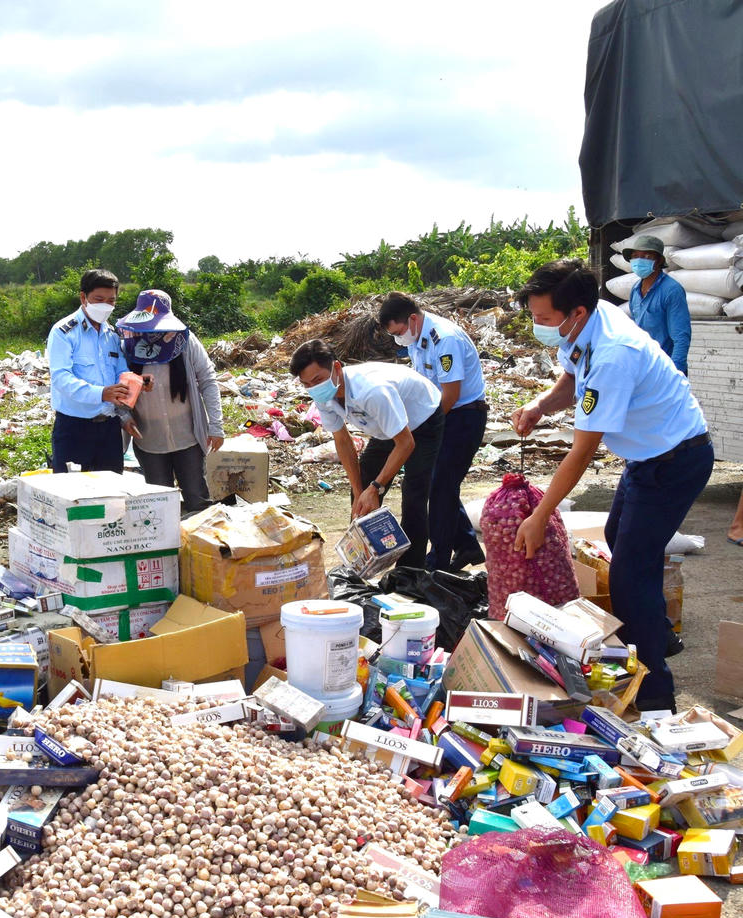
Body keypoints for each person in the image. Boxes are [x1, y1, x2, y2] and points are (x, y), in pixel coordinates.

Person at [510, 259, 712, 715]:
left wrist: (541, 516)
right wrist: (540, 405)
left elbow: (582, 453)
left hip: (675, 460)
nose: (537, 325)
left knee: (628, 576)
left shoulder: (615, 354)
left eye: (543, 318)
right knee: (622, 543)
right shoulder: (587, 324)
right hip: (648, 457)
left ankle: (657, 696)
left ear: (576, 311)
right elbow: (569, 376)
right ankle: (662, 636)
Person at [290, 339, 443, 570]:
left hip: (422, 421)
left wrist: (376, 487)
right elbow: (342, 440)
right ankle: (364, 561)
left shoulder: (372, 391)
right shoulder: (323, 395)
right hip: (383, 428)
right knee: (361, 492)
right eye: (307, 384)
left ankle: (410, 572)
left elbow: (405, 443)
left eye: (318, 380)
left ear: (337, 368)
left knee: (414, 495)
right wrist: (360, 489)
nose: (314, 387)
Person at [378, 292, 488, 571]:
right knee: (442, 486)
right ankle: (467, 546)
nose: (398, 339)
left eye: (399, 332)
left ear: (413, 318)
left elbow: (451, 393)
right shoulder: (416, 337)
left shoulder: (444, 338)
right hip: (441, 414)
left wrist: (425, 426)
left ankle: (437, 559)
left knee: (439, 488)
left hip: (463, 416)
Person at [116, 289, 224, 514]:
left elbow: (207, 380)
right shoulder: (128, 344)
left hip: (187, 438)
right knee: (159, 506)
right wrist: (125, 416)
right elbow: (118, 386)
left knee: (197, 499)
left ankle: (201, 547)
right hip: (149, 440)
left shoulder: (184, 340)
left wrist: (216, 426)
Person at [47, 268, 134, 473]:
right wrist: (101, 393)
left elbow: (120, 374)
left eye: (111, 301)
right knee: (72, 495)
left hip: (109, 429)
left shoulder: (111, 334)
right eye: (99, 299)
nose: (105, 306)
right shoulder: (64, 332)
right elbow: (61, 378)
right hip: (74, 428)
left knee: (111, 495)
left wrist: (137, 382)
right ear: (83, 297)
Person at [624, 234, 691, 374]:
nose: (639, 260)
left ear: (659, 260)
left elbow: (681, 337)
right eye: (635, 256)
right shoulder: (635, 290)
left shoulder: (671, 290)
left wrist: (674, 374)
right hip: (644, 368)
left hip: (665, 369)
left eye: (647, 256)